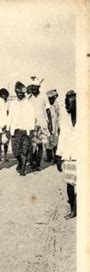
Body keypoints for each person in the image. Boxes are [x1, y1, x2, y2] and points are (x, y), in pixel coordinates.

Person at [6, 81, 36, 176]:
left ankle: (23, 168)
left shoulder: (29, 103)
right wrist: (7, 129)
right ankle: (20, 162)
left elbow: (32, 117)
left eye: (21, 93)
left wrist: (31, 129)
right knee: (16, 152)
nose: (19, 94)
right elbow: (9, 117)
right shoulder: (13, 104)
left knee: (25, 150)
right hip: (15, 131)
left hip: (26, 131)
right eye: (17, 93)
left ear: (24, 93)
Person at [55, 91, 77, 219]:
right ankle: (73, 210)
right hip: (68, 156)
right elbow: (62, 138)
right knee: (69, 185)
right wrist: (58, 156)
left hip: (82, 157)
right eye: (66, 103)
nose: (67, 106)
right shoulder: (66, 120)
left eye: (70, 103)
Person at [27, 76, 47, 171]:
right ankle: (32, 163)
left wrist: (49, 124)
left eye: (36, 87)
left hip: (42, 124)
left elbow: (47, 111)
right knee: (32, 146)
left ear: (39, 87)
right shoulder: (29, 98)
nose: (34, 88)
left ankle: (38, 163)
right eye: (32, 87)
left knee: (40, 145)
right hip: (32, 125)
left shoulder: (44, 97)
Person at [45, 89, 60, 163]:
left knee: (55, 142)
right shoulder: (47, 105)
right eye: (49, 98)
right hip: (48, 125)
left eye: (52, 98)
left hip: (55, 125)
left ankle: (56, 158)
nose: (50, 100)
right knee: (48, 142)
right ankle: (49, 157)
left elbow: (59, 116)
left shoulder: (57, 105)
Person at [0, 88, 11, 162]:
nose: (4, 97)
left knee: (6, 140)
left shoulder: (8, 104)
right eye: (3, 95)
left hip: (6, 124)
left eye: (5, 95)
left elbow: (9, 113)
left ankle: (5, 156)